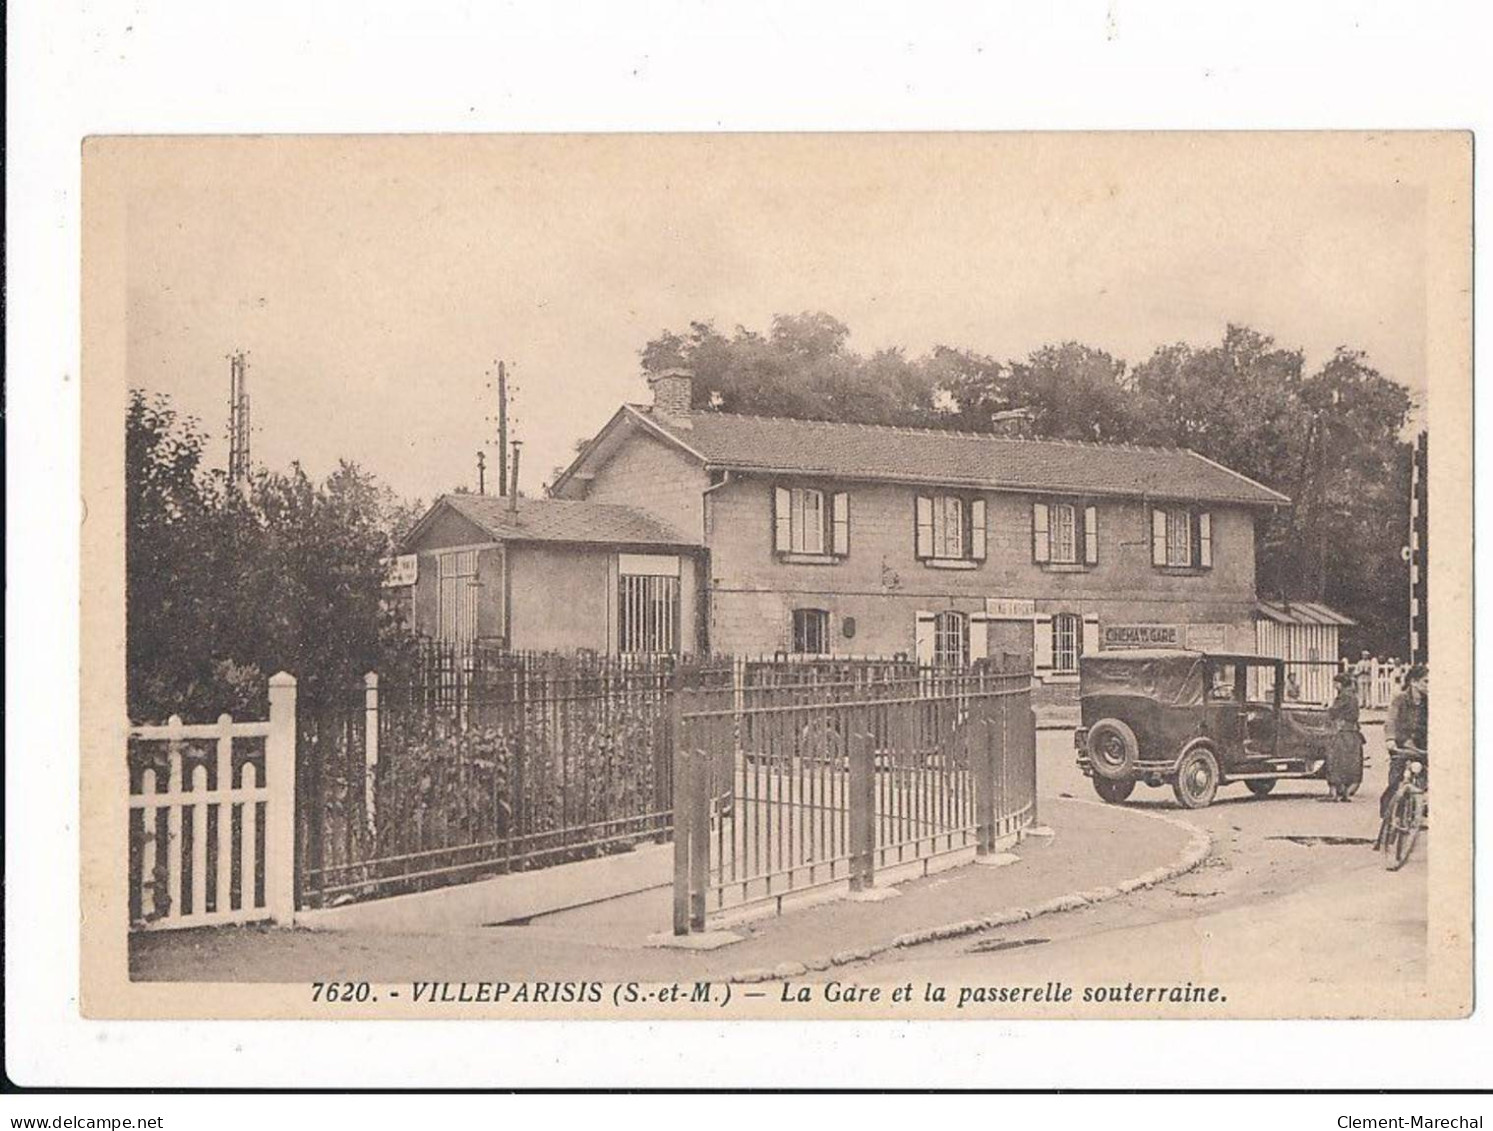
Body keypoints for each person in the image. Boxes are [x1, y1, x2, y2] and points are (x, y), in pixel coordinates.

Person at [1378, 663, 1428, 825]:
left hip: (1422, 747)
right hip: (1401, 745)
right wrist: (1390, 739)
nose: (1429, 686)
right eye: (1425, 682)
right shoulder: (1400, 699)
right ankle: (1388, 817)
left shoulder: (1431, 702)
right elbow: (1391, 720)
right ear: (1414, 682)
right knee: (1395, 781)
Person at [1322, 671, 1363, 802]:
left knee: (1335, 760)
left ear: (1340, 684)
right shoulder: (1352, 695)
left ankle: (1334, 792)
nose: (1334, 685)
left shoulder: (1344, 697)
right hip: (1353, 733)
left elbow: (1333, 712)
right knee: (1349, 762)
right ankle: (1344, 792)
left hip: (1342, 731)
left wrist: (1327, 709)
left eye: (1335, 683)